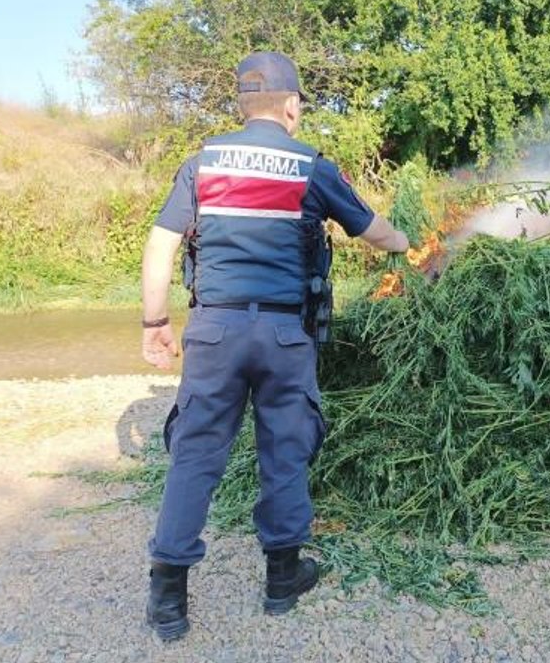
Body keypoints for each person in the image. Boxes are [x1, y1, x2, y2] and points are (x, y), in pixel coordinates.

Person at [140, 51, 410, 641]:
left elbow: (161, 244)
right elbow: (378, 233)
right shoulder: (311, 166)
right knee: (285, 451)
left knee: (196, 455)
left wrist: (154, 321)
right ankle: (282, 585)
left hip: (214, 332)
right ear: (291, 106)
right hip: (286, 335)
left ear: (242, 105)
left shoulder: (202, 164)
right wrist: (407, 241)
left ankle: (168, 602)